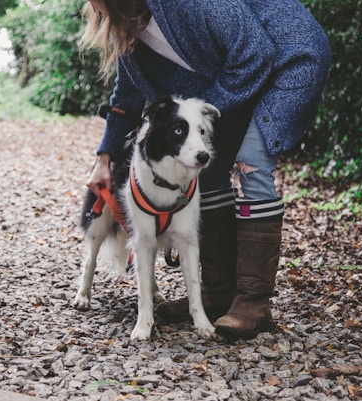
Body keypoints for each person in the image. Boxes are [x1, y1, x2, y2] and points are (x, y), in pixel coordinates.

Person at [82, 0, 331, 341]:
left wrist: (199, 118)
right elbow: (126, 97)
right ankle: (215, 295)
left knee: (251, 163)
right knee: (206, 170)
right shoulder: (130, 26)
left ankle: (253, 303)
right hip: (241, 75)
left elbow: (255, 53)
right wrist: (105, 158)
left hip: (288, 60)